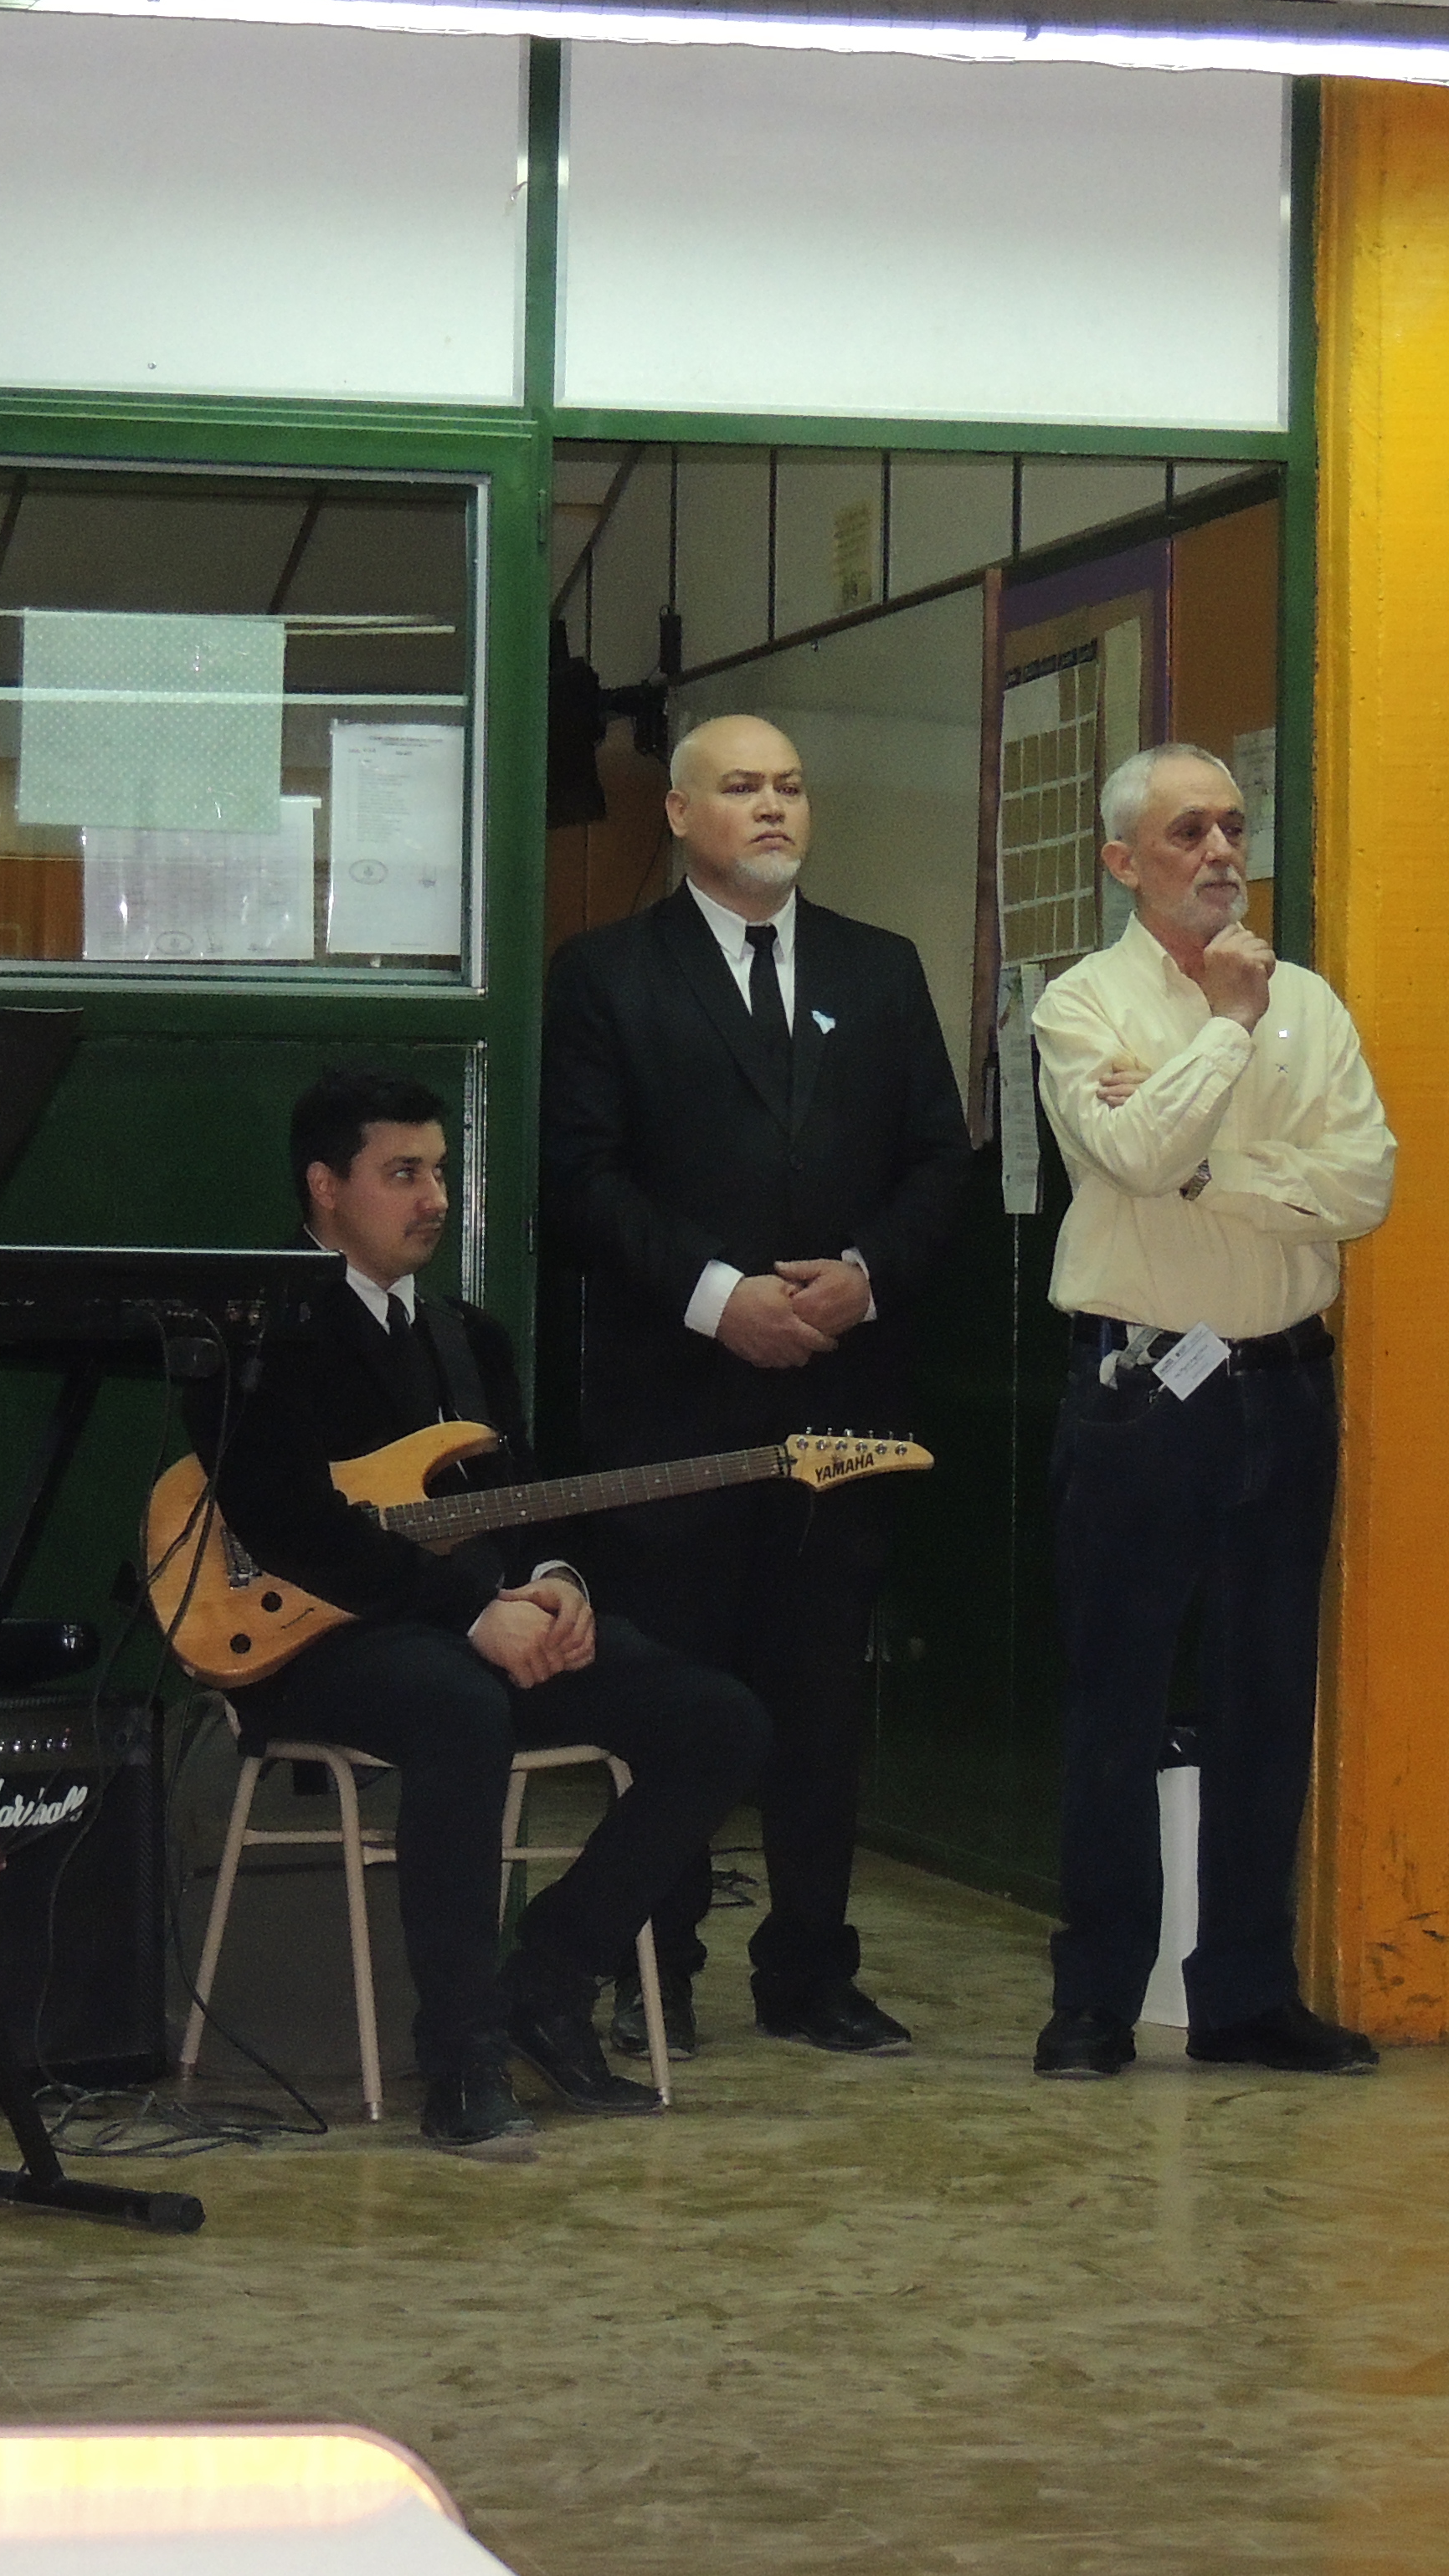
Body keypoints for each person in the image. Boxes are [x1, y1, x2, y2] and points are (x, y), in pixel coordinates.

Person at [208, 1071, 768, 2153]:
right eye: (401, 1173)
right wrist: (472, 1616)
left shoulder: (472, 1340)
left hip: (469, 1627)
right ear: (324, 1188)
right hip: (314, 1641)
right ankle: (458, 2055)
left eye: (438, 1172)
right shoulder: (260, 1336)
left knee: (719, 1719)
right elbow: (291, 1526)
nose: (432, 1198)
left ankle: (548, 1986)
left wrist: (558, 1583)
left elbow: (518, 1500)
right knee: (459, 1708)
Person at [537, 715, 974, 2059]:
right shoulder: (607, 975)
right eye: (741, 788)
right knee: (678, 1698)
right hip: (672, 1409)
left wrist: (861, 1276)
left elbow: (937, 1168)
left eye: (790, 785)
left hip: (843, 1406)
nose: (773, 807)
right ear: (677, 815)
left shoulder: (881, 970)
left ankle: (811, 1971)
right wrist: (724, 1300)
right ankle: (653, 1972)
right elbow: (580, 1179)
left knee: (821, 1703)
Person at [1025, 744, 1396, 2082]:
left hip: (1286, 1388)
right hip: (1139, 1394)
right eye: (1190, 832)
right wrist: (1226, 1035)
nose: (1223, 853)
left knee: (1265, 1700)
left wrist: (1210, 1173)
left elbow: (1365, 1186)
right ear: (1125, 861)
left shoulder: (1314, 1002)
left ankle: (1245, 1995)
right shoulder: (1080, 1007)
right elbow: (1126, 1156)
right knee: (1115, 1703)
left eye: (1236, 826)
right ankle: (1095, 2001)